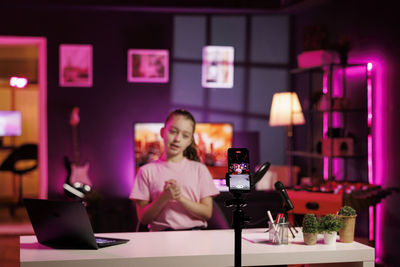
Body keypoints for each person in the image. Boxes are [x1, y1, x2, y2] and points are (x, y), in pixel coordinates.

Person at [130, 109, 220, 231]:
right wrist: (164, 197)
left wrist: (180, 197)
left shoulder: (200, 170)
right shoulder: (146, 171)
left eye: (185, 135)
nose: (177, 139)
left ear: (190, 141)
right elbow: (144, 219)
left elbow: (207, 213)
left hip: (195, 237)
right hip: (160, 238)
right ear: (163, 132)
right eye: (173, 131)